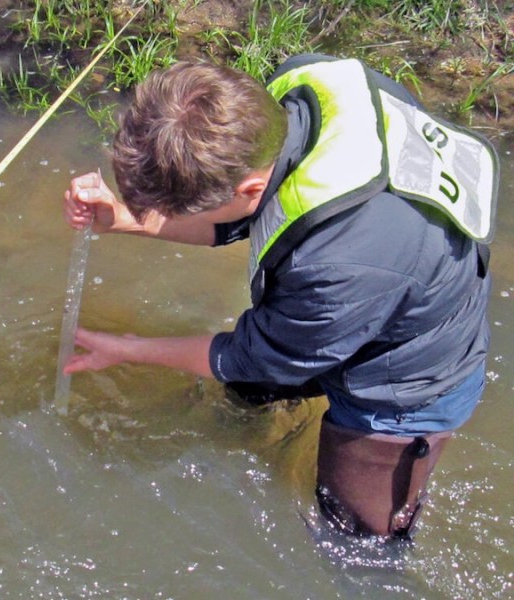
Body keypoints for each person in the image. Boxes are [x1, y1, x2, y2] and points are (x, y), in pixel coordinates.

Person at [61, 55, 498, 540]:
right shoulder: (303, 88)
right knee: (248, 396)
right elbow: (248, 214)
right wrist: (122, 217)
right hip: (371, 290)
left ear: (250, 186)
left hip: (406, 384)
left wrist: (128, 348)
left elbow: (252, 357)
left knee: (356, 542)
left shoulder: (337, 266)